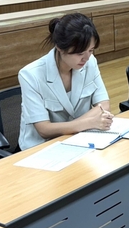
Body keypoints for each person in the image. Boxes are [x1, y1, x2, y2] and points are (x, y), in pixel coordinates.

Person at [19, 13, 113, 150]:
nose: (86, 58)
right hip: (42, 148)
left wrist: (79, 126)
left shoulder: (90, 62)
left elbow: (104, 105)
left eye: (91, 50)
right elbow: (44, 129)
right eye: (80, 53)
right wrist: (89, 123)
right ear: (60, 47)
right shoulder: (30, 75)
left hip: (80, 140)